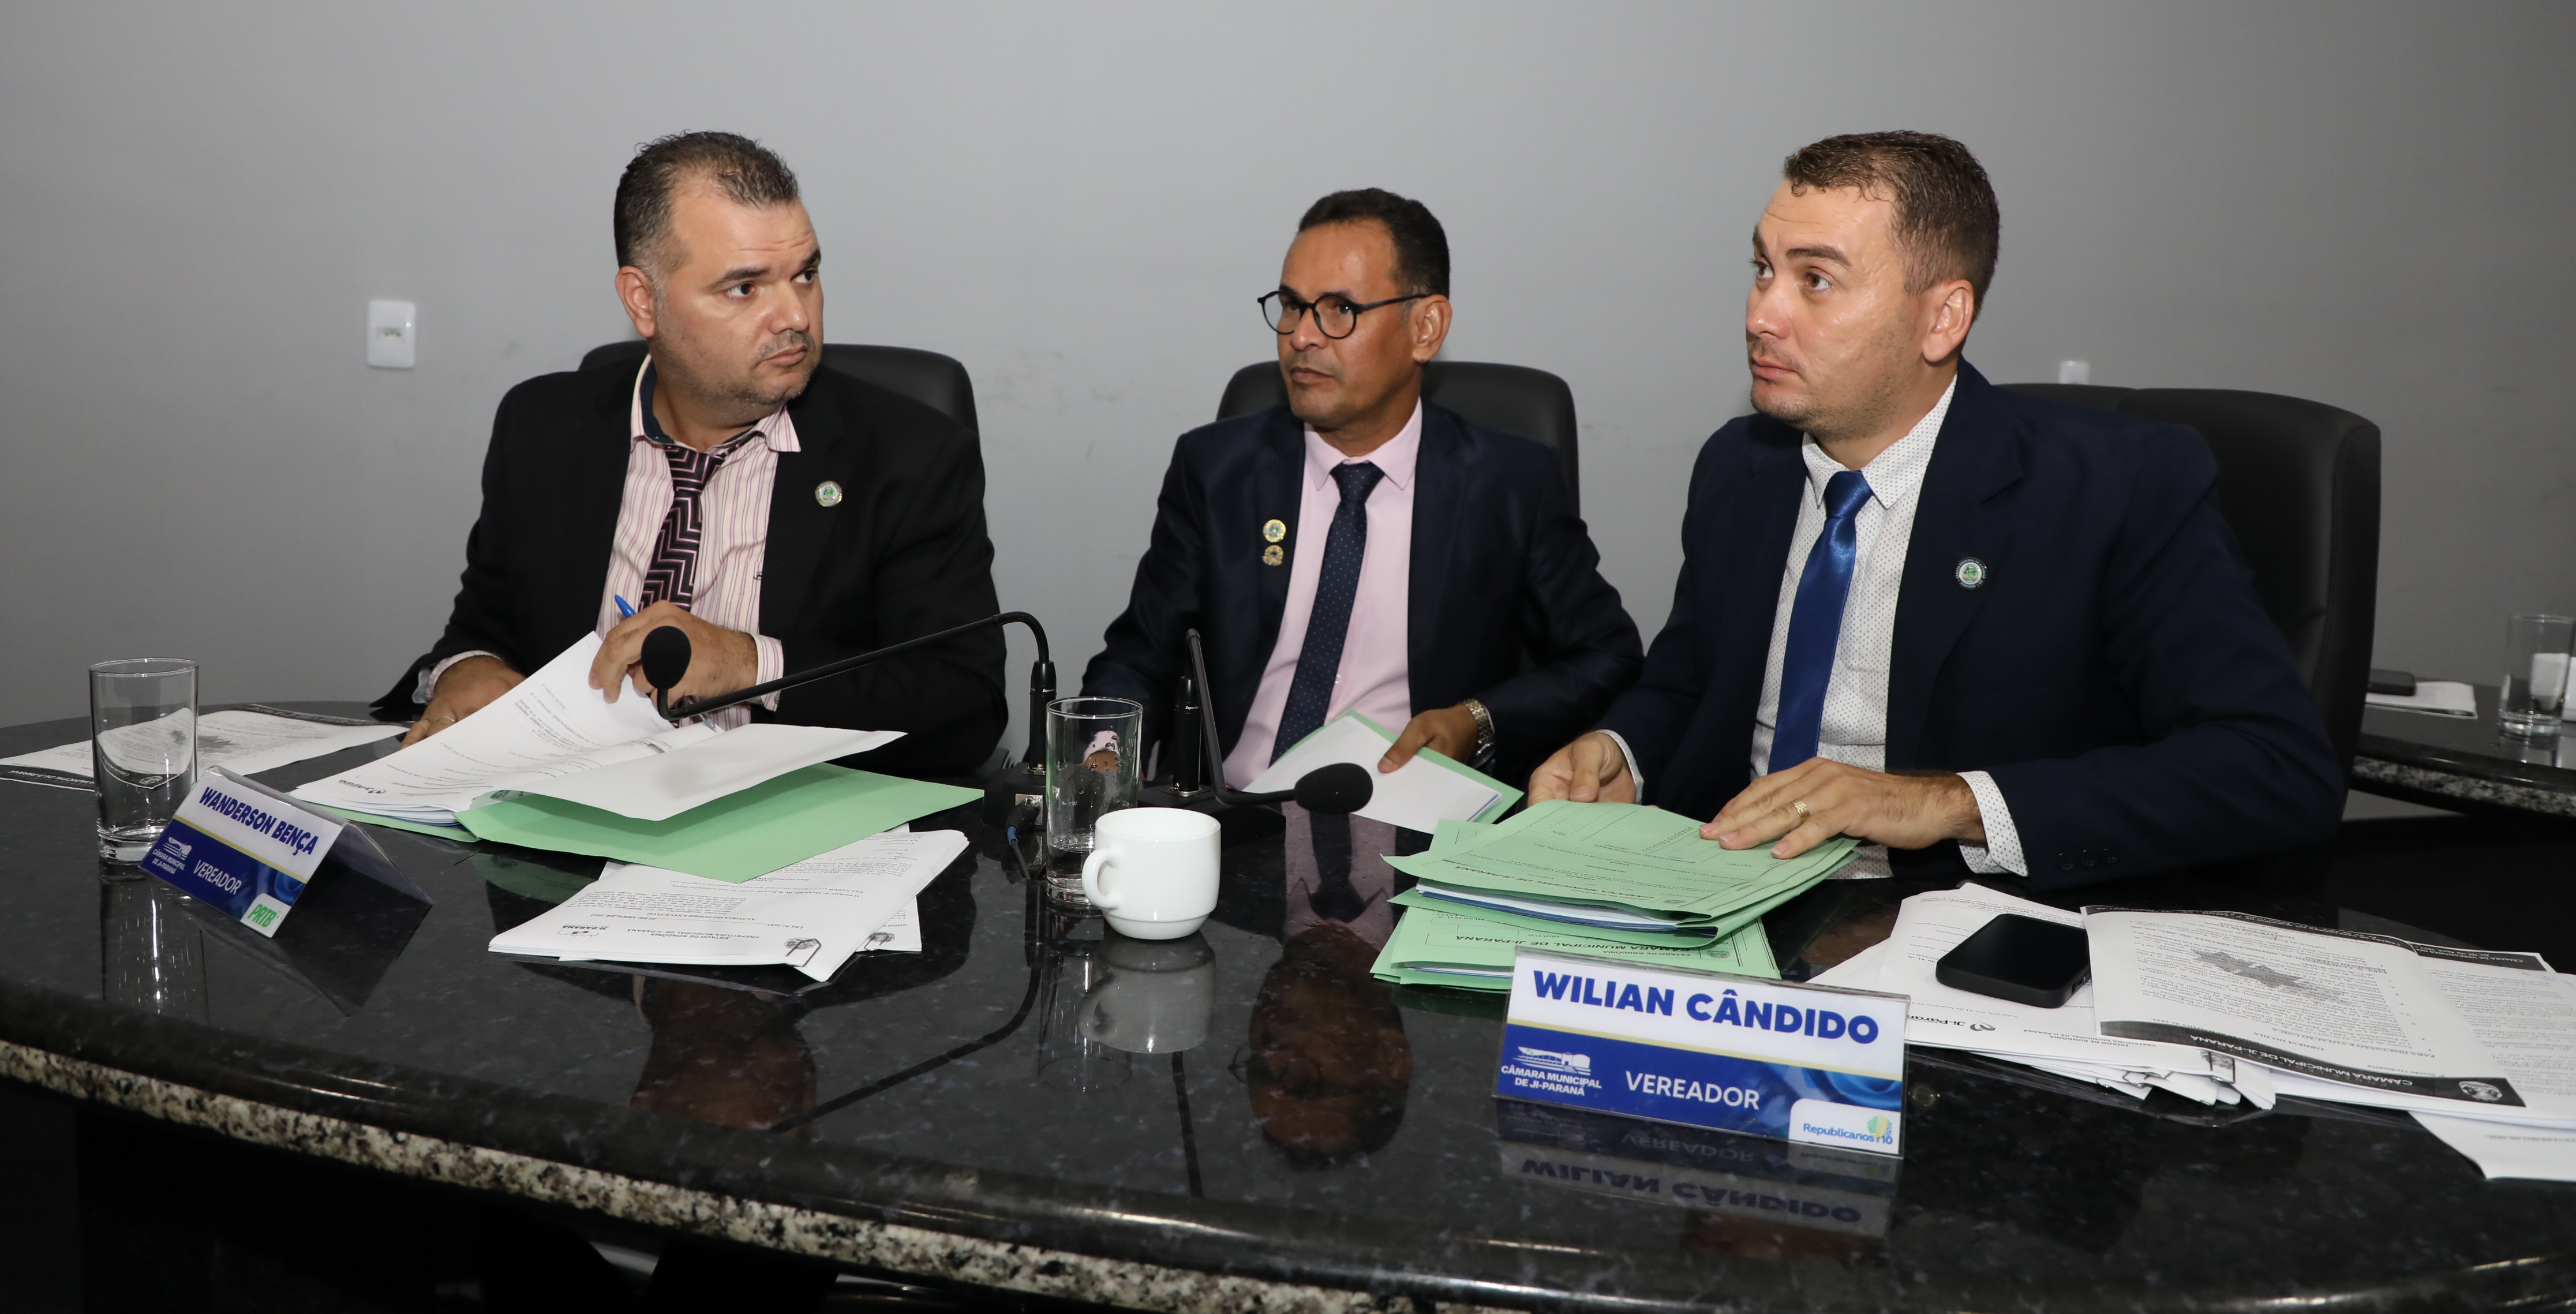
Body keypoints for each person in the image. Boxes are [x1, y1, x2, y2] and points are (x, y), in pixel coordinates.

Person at [1530, 132, 2343, 887]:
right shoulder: (1740, 467)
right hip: (1727, 893)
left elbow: (2276, 768)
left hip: (1954, 923)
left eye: (1815, 281)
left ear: (1943, 318)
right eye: (1763, 270)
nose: (1761, 315)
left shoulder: (2115, 487)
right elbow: (1691, 687)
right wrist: (1623, 749)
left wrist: (1946, 802)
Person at [377, 131, 1006, 777]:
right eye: (745, 288)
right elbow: (484, 626)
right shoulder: (544, 428)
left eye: (806, 275)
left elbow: (965, 707)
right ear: (643, 300)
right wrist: (466, 669)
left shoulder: (910, 457)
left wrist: (749, 665)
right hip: (570, 807)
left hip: (779, 819)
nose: (795, 316)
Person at [1084, 188, 1643, 791]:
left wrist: (1476, 720)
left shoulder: (1508, 483)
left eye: (1340, 310)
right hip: (1230, 812)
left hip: (1408, 818)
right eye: (1292, 306)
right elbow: (1139, 657)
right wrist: (1098, 761)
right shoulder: (1217, 469)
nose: (1302, 336)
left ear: (1425, 328)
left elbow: (1607, 654)